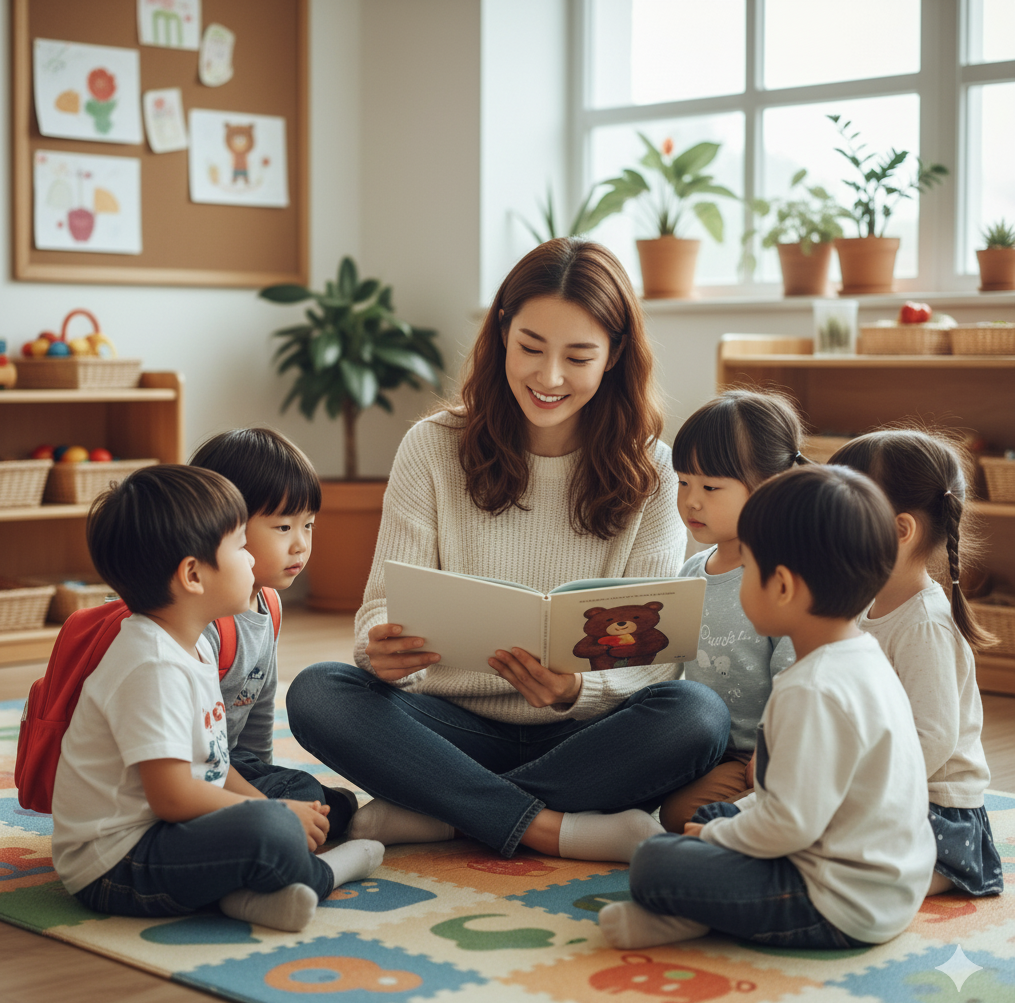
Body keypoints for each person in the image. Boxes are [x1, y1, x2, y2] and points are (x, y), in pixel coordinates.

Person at [287, 238, 730, 862]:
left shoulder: (653, 471)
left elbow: (651, 662)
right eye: (529, 348)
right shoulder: (431, 447)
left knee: (697, 714)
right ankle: (550, 827)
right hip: (448, 727)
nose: (548, 378)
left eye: (578, 357)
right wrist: (381, 649)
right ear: (500, 335)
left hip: (586, 734)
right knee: (318, 692)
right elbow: (380, 611)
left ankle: (445, 814)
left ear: (615, 356)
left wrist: (576, 693)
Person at [600, 465, 937, 950]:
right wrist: (725, 826)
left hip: (836, 902)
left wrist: (715, 840)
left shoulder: (811, 690)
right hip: (883, 885)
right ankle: (696, 913)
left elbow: (789, 826)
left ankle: (690, 913)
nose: (739, 583)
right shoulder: (862, 658)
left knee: (656, 860)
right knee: (716, 814)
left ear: (781, 586)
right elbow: (798, 803)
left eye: (748, 569)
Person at [51, 465, 383, 932]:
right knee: (271, 831)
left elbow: (215, 763)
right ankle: (326, 873)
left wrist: (271, 804)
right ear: (192, 575)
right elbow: (171, 797)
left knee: (284, 810)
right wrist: (271, 814)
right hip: (116, 864)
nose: (251, 562)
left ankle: (248, 896)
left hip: (164, 832)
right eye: (240, 547)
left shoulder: (196, 643)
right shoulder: (153, 666)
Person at [829, 429, 1003, 897]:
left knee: (838, 864)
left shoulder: (924, 623)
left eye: (840, 513)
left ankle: (941, 869)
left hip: (936, 807)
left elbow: (934, 737)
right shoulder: (867, 606)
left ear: (901, 531)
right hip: (884, 786)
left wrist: (861, 786)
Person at [190, 427, 357, 837]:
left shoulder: (269, 604)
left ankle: (329, 819)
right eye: (284, 528)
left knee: (314, 794)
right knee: (305, 794)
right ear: (223, 528)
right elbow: (189, 748)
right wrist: (265, 803)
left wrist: (265, 774)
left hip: (229, 764)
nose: (300, 544)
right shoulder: (199, 621)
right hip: (187, 767)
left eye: (309, 526)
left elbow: (259, 706)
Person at [660, 390, 801, 833]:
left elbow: (795, 676)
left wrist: (772, 746)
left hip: (763, 750)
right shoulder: (690, 572)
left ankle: (779, 814)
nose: (691, 501)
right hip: (704, 745)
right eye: (683, 482)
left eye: (710, 487)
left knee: (679, 816)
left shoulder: (783, 575)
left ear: (768, 486)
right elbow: (671, 671)